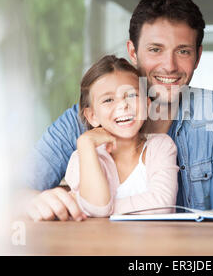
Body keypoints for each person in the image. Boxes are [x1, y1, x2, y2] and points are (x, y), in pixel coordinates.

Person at [23, 0, 213, 221]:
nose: (169, 66)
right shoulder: (82, 119)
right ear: (133, 51)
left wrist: (93, 209)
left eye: (183, 51)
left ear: (198, 56)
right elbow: (12, 191)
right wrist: (32, 201)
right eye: (155, 49)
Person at [61, 55, 178, 219]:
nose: (123, 105)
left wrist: (100, 209)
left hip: (153, 244)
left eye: (132, 95)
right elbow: (98, 208)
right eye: (108, 99)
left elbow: (163, 205)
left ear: (147, 105)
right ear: (93, 116)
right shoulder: (83, 156)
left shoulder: (160, 147)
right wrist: (85, 143)